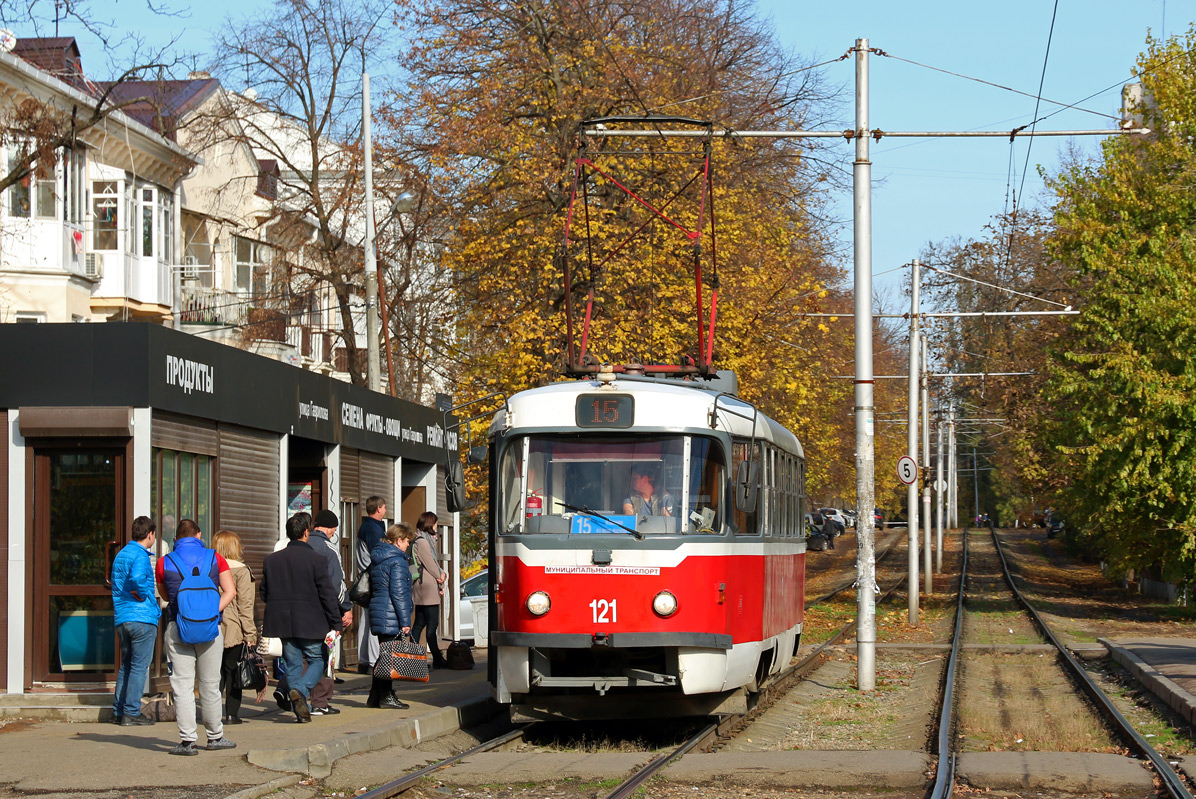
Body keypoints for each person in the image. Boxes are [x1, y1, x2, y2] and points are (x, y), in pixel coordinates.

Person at [156, 519, 237, 755]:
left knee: (182, 686)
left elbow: (165, 596)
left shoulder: (164, 562)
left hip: (178, 627)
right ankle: (215, 737)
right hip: (211, 630)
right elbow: (230, 591)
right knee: (210, 686)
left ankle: (188, 741)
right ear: (199, 535)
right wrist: (212, 611)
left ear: (176, 539)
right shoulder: (215, 558)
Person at [261, 513, 343, 723]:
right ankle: (301, 690)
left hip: (283, 621)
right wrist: (335, 621)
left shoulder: (272, 560)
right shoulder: (317, 559)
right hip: (311, 621)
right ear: (306, 533)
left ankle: (301, 710)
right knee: (318, 659)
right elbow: (327, 593)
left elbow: (264, 592)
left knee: (293, 663)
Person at [111, 515, 159, 726]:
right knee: (139, 666)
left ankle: (118, 711)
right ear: (150, 534)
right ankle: (131, 711)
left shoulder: (121, 554)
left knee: (127, 665)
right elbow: (138, 579)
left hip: (123, 618)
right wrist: (141, 593)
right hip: (141, 617)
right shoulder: (140, 555)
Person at [366, 523, 417, 709]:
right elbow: (399, 593)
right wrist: (405, 622)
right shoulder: (398, 561)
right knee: (389, 658)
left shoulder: (379, 556)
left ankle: (375, 695)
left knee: (385, 655)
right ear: (398, 540)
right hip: (391, 613)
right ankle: (386, 696)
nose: (407, 546)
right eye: (406, 542)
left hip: (379, 610)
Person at [307, 509, 352, 715]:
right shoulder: (329, 549)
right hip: (325, 611)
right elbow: (337, 583)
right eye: (334, 529)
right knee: (326, 654)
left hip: (301, 611)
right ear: (329, 527)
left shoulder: (301, 544)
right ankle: (320, 702)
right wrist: (346, 609)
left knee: (304, 656)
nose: (334, 532)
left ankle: (300, 694)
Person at [213, 530, 257, 725]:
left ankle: (212, 713)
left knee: (214, 673)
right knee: (233, 671)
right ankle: (232, 714)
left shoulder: (210, 568)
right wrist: (250, 634)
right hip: (233, 629)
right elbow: (245, 605)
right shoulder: (241, 570)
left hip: (211, 626)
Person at [411, 511, 448, 669]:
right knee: (432, 624)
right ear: (430, 523)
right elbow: (430, 563)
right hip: (427, 588)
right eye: (435, 523)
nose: (437, 526)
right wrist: (440, 575)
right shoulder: (423, 542)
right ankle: (437, 659)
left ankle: (413, 657)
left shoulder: (418, 539)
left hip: (421, 586)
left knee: (419, 623)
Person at [354, 496, 388, 673]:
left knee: (366, 618)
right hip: (373, 576)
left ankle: (364, 659)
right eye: (384, 507)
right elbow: (379, 554)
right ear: (379, 509)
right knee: (375, 619)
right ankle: (374, 661)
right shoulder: (374, 529)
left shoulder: (365, 526)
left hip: (365, 574)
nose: (386, 509)